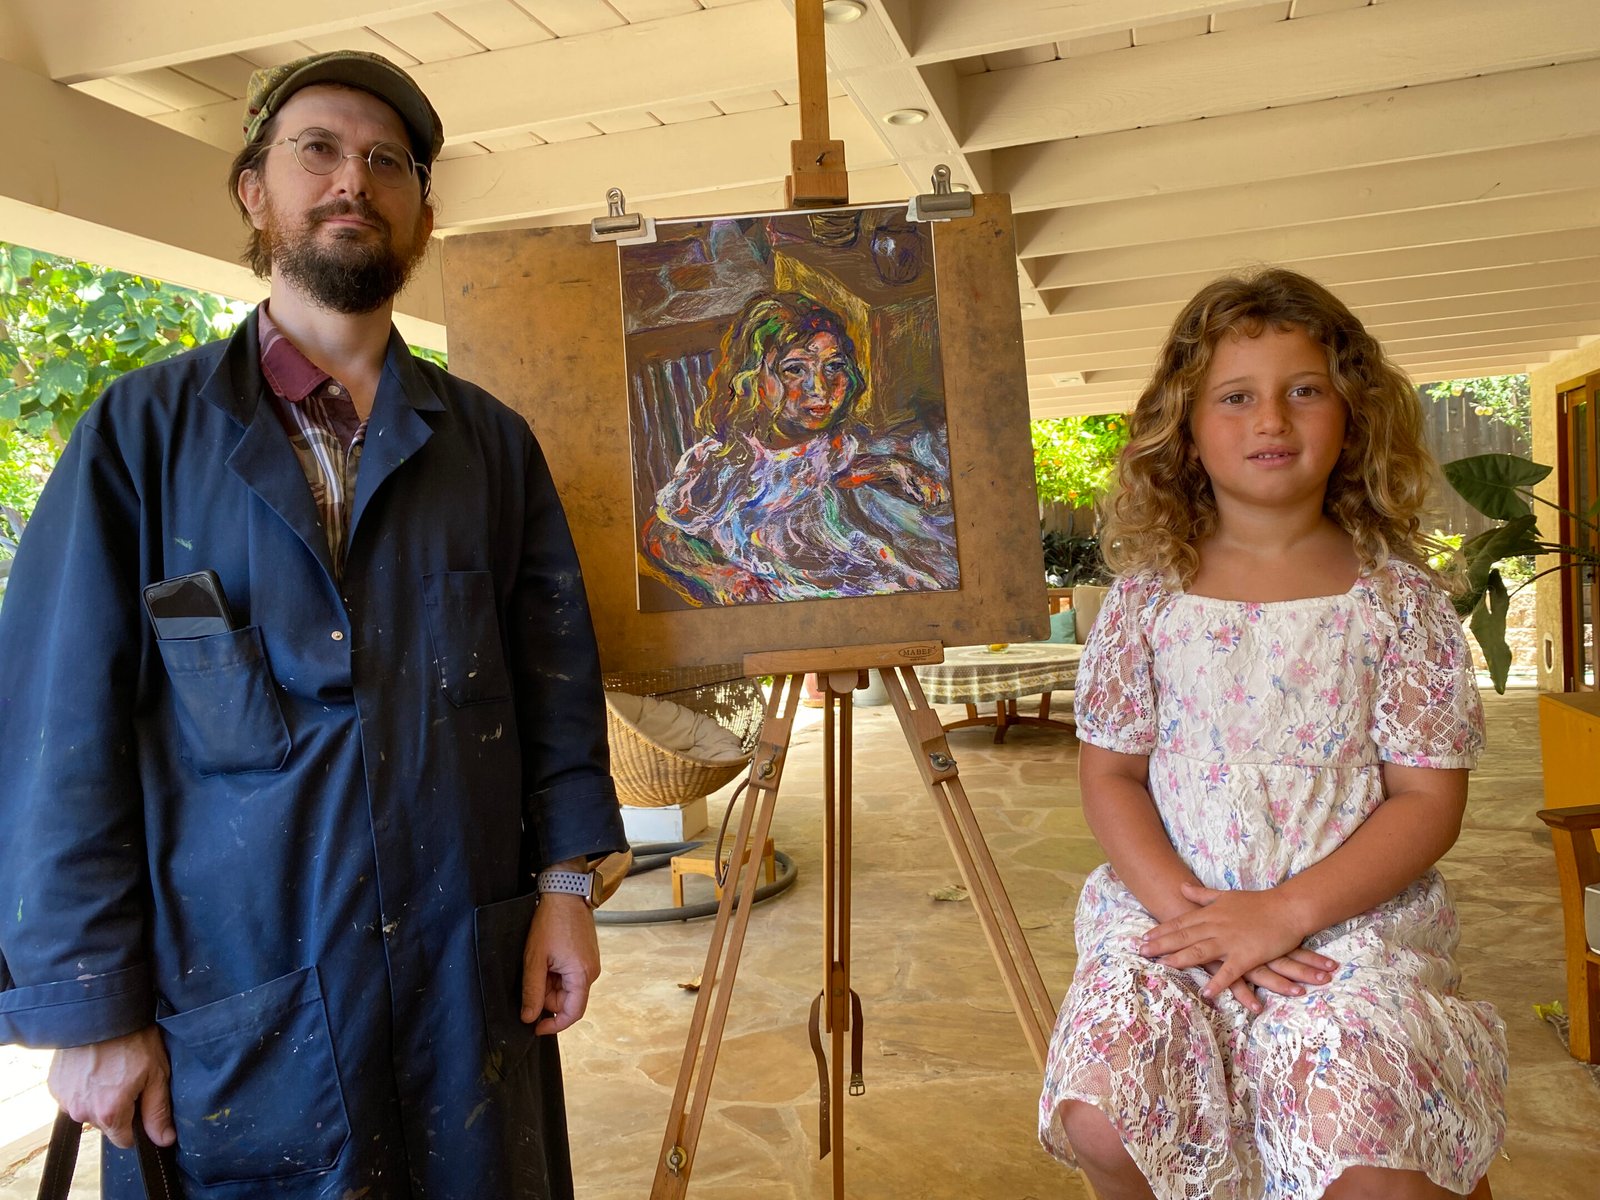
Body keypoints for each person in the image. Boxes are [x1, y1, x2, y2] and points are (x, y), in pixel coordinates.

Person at [0, 51, 628, 1199]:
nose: (356, 179)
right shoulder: (137, 441)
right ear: (255, 191)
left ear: (423, 213)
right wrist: (89, 1006)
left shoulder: (490, 448)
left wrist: (566, 890)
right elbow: (56, 738)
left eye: (388, 161)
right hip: (234, 1003)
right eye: (320, 151)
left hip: (459, 989)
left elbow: (553, 691)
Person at [1037, 268, 1507, 1200]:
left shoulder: (1397, 601)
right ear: (1186, 427)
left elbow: (1427, 800)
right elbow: (1113, 778)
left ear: (1353, 412)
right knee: (1105, 1112)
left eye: (1304, 391)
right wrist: (1196, 918)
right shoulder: (1146, 600)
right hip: (1171, 914)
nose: (1271, 422)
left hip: (1344, 925)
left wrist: (1283, 914)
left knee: (1364, 1148)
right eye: (1236, 397)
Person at [639, 291, 958, 606]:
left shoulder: (821, 438)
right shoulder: (731, 460)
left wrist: (891, 467)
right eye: (795, 370)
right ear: (754, 378)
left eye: (833, 366)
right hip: (778, 581)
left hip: (834, 549)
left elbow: (829, 472)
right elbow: (661, 535)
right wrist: (722, 576)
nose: (820, 388)